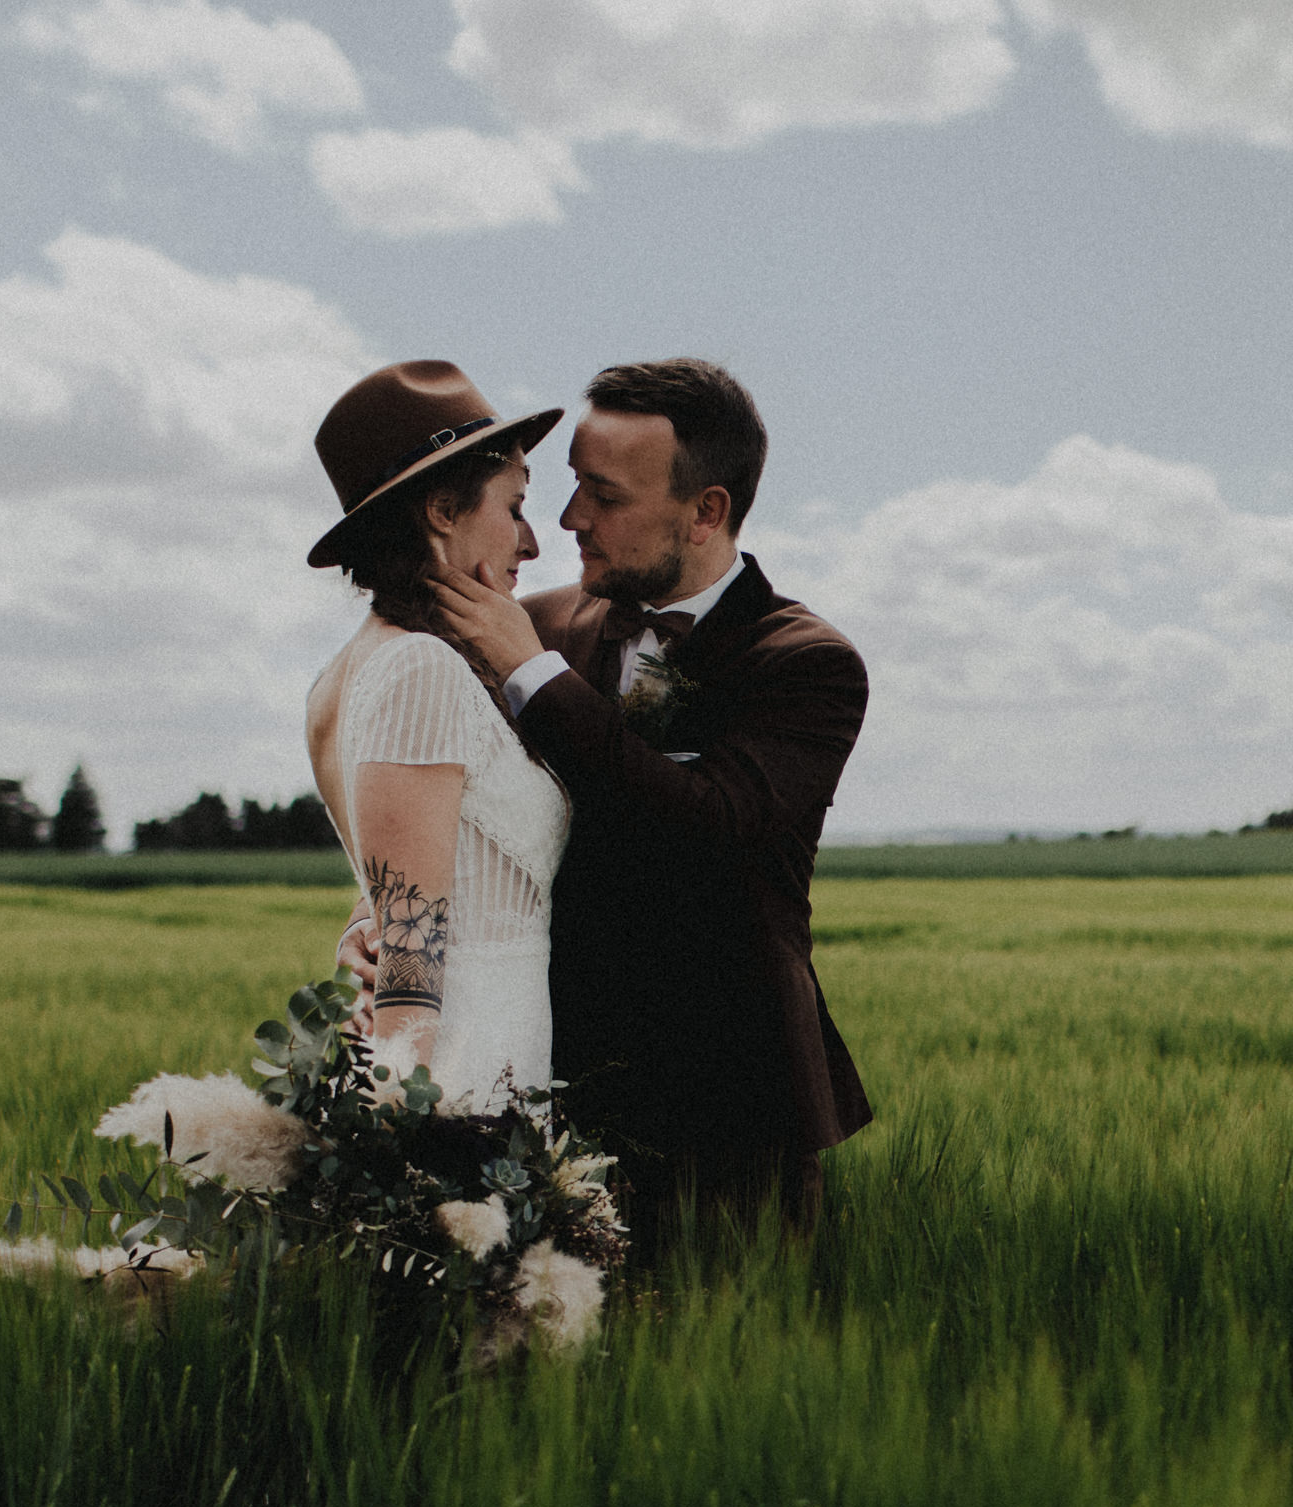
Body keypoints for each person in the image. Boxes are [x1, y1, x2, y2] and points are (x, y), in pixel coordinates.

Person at [417, 358, 873, 1242]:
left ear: (706, 510)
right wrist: (388, 917)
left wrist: (532, 677)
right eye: (569, 485)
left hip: (731, 1106)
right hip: (549, 1085)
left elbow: (710, 828)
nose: (568, 518)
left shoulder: (806, 662)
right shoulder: (536, 623)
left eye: (604, 494)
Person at [301, 359, 570, 1113]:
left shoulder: (346, 671)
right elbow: (412, 960)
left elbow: (393, 886)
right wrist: (410, 1147)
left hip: (481, 1061)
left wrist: (363, 920)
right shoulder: (419, 668)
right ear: (443, 510)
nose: (532, 541)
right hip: (465, 1080)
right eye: (514, 507)